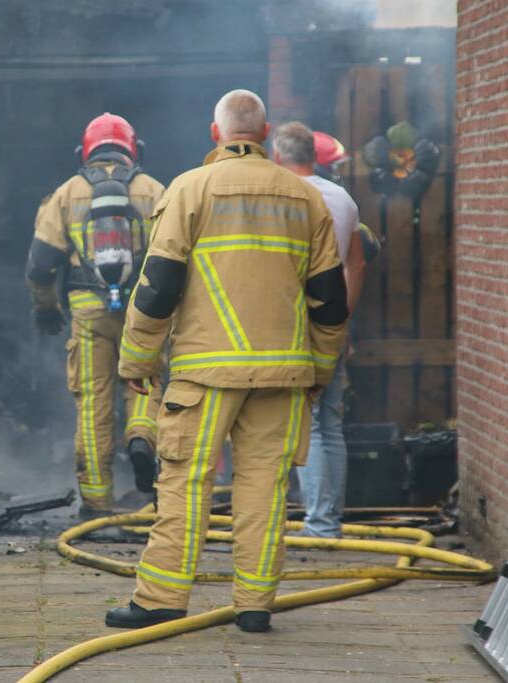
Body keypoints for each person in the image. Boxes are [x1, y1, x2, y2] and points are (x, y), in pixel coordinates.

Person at [106, 90, 349, 633]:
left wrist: (137, 357)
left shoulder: (190, 189)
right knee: (265, 488)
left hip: (204, 372)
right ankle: (256, 606)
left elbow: (159, 283)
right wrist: (322, 369)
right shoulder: (304, 198)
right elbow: (330, 299)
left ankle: (162, 599)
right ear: (264, 135)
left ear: (215, 135)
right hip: (284, 374)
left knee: (186, 484)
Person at [26, 113, 166, 517]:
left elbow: (40, 264)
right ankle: (142, 437)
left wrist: (46, 308)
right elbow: (174, 256)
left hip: (88, 312)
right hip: (143, 310)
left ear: (83, 152)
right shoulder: (154, 190)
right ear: (133, 149)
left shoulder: (67, 194)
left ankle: (97, 502)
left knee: (93, 403)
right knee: (145, 382)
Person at [275, 125, 367, 539]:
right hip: (332, 323)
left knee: (306, 423)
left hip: (291, 326)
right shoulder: (343, 199)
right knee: (329, 421)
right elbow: (357, 264)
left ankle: (320, 525)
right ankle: (328, 519)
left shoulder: (280, 197)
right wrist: (341, 319)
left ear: (278, 157)